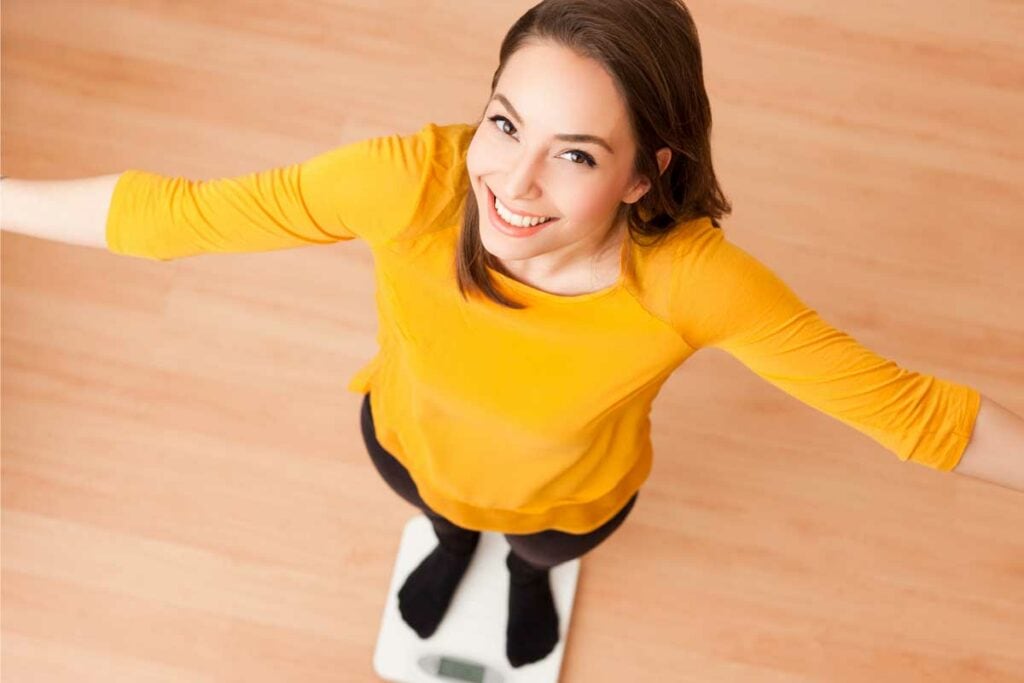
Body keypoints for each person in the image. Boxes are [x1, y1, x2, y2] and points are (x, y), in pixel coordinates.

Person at [5, 0, 1013, 670]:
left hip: (569, 499)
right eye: (503, 124)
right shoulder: (411, 181)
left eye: (573, 152)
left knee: (535, 552)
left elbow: (922, 417)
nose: (512, 184)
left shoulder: (693, 281)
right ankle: (447, 544)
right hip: (406, 444)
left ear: (644, 173)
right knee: (442, 518)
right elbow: (170, 216)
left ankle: (529, 580)